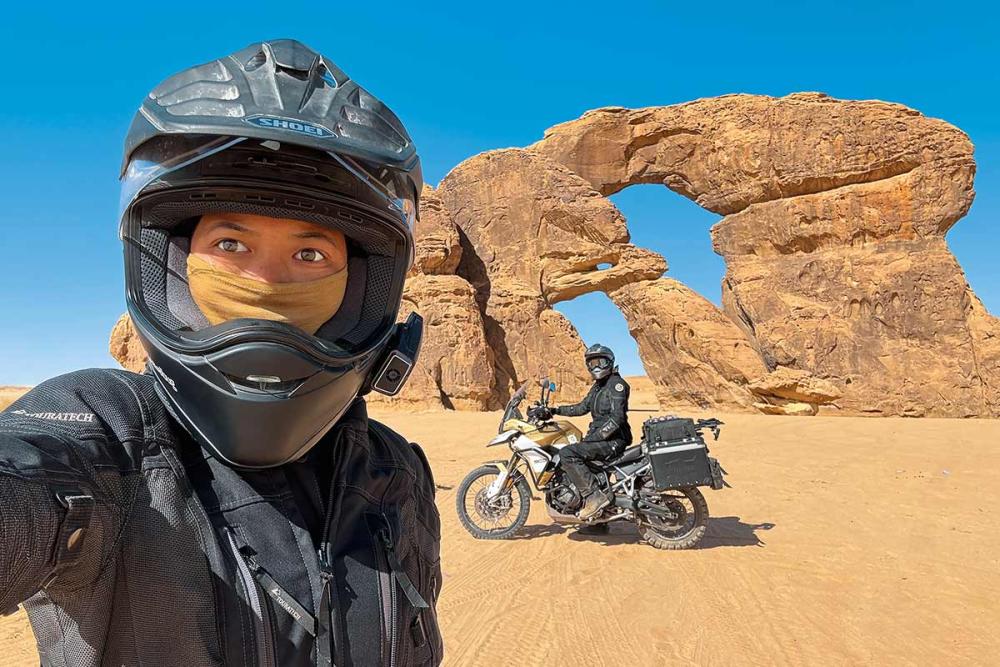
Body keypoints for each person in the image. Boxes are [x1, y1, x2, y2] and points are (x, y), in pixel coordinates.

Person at [0, 40, 442, 666]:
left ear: (362, 288)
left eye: (310, 254)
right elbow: (25, 479)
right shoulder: (106, 432)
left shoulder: (398, 471)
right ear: (174, 267)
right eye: (231, 245)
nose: (264, 284)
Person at [549, 344, 632, 520]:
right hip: (601, 438)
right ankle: (599, 523)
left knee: (568, 453)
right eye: (592, 363)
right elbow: (581, 408)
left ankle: (594, 497)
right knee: (581, 458)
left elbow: (617, 418)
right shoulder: (598, 387)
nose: (596, 367)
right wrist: (554, 411)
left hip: (614, 440)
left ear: (609, 362)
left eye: (600, 362)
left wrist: (594, 439)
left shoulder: (617, 385)